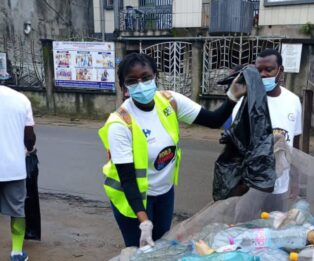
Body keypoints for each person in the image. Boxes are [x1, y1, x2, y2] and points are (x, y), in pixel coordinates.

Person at [99, 53, 244, 248]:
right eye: (132, 81)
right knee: (140, 258)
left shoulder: (170, 101)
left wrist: (233, 96)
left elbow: (213, 120)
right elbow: (128, 180)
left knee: (162, 249)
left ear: (155, 77)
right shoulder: (119, 124)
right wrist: (143, 221)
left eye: (146, 77)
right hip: (133, 200)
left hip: (164, 193)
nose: (141, 85)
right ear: (125, 88)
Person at [230, 49, 302, 214]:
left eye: (268, 69)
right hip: (250, 185)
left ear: (280, 71)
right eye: (258, 70)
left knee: (271, 231)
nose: (262, 75)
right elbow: (235, 147)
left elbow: (295, 146)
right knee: (244, 229)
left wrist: (295, 182)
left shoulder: (293, 101)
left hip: (279, 185)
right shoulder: (244, 103)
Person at [0, 85, 36, 261]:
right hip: (13, 166)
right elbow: (29, 137)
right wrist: (29, 150)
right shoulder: (21, 99)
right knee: (17, 209)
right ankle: (16, 254)